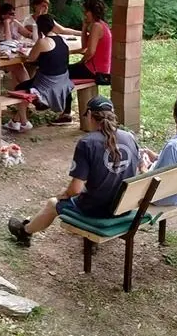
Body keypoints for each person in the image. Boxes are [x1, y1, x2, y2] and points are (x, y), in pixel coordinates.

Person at [8, 96, 139, 246]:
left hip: (97, 210)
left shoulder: (87, 143)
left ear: (89, 115)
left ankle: (24, 232)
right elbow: (133, 171)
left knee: (53, 204)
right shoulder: (129, 137)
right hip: (124, 207)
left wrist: (64, 194)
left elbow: (75, 189)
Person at [4, 14, 74, 132]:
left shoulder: (42, 42)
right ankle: (15, 121)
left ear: (39, 28)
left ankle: (24, 122)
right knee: (26, 85)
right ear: (52, 26)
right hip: (63, 81)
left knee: (19, 89)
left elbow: (31, 58)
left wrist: (23, 53)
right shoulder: (62, 39)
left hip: (46, 84)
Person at [54, 0, 112, 124]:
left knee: (61, 73)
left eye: (86, 11)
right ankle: (65, 111)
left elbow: (90, 52)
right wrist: (85, 27)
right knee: (65, 71)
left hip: (95, 70)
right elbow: (84, 46)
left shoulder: (97, 26)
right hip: (97, 68)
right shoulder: (100, 25)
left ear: (92, 12)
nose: (84, 14)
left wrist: (81, 62)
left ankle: (66, 112)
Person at [0, 3, 30, 85]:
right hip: (3, 58)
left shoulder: (15, 23)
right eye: (11, 14)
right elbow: (8, 41)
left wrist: (33, 33)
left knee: (20, 66)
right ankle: (28, 87)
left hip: (14, 54)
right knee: (18, 67)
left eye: (14, 14)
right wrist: (6, 24)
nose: (14, 16)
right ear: (3, 15)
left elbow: (27, 34)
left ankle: (27, 87)